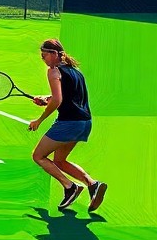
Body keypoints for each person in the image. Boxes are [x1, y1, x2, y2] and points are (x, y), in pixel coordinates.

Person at [28, 39, 106, 211]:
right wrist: (45, 99)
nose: (44, 60)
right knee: (60, 161)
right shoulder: (75, 72)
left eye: (45, 55)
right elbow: (68, 96)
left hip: (68, 122)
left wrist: (39, 120)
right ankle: (93, 185)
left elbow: (58, 100)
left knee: (38, 156)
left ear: (55, 54)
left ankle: (70, 187)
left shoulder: (53, 71)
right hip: (84, 123)